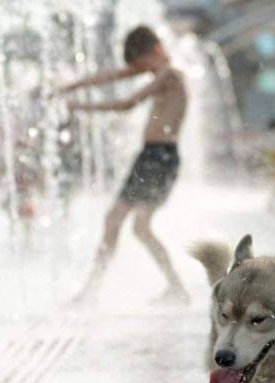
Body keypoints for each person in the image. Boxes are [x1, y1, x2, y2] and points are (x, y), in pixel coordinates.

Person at [57, 26, 189, 304]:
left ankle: (91, 291)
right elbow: (113, 75)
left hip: (159, 157)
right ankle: (176, 287)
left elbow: (127, 103)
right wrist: (70, 87)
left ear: (155, 51)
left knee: (119, 221)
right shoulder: (160, 72)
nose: (141, 72)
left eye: (142, 65)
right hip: (156, 156)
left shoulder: (170, 74)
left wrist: (78, 107)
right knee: (137, 226)